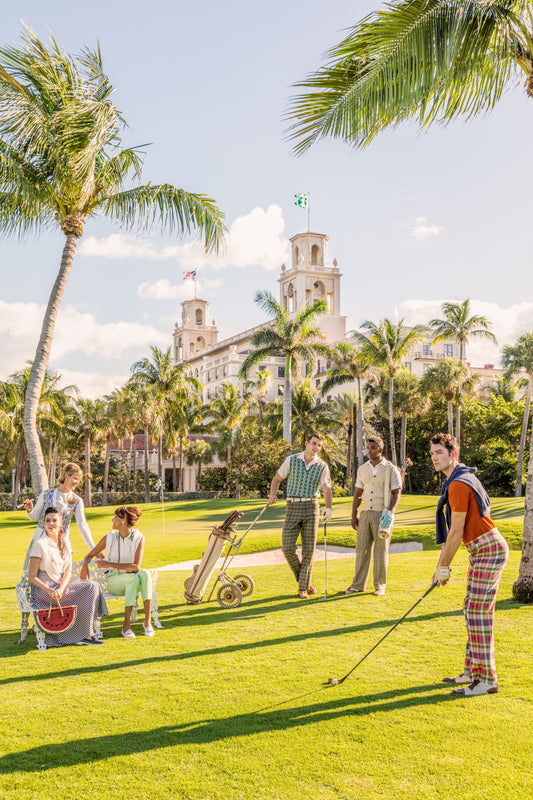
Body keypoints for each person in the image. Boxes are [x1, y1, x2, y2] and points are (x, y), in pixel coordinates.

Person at [430, 432, 509, 697]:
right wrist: (440, 566)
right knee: (471, 608)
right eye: (432, 453)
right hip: (482, 550)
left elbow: (455, 531)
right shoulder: (457, 479)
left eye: (439, 452)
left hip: (488, 548)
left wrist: (444, 567)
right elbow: (454, 533)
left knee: (478, 613)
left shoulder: (458, 484)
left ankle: (486, 680)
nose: (434, 458)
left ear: (453, 454)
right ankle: (471, 672)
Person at [28, 506, 108, 646]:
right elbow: (32, 577)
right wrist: (49, 590)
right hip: (43, 592)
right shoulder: (39, 544)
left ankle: (85, 633)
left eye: (54, 520)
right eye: (48, 521)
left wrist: (61, 589)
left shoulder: (65, 542)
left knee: (92, 586)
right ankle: (86, 636)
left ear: (60, 522)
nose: (51, 523)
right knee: (90, 587)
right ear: (44, 523)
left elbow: (68, 571)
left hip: (59, 589)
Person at [268, 432, 332, 599]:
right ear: (306, 443)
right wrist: (272, 494)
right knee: (287, 547)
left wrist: (329, 508)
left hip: (312, 507)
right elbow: (276, 479)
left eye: (319, 445)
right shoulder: (292, 460)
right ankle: (304, 581)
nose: (316, 447)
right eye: (314, 443)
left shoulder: (322, 466)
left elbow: (326, 489)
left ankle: (302, 588)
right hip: (293, 507)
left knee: (309, 551)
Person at [339, 436, 402, 597]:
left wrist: (390, 512)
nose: (369, 450)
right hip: (365, 513)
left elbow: (397, 492)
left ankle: (380, 585)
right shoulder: (362, 469)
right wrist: (354, 515)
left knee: (381, 551)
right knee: (362, 550)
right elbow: (358, 493)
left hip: (383, 514)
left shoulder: (390, 469)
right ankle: (357, 585)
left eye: (372, 448)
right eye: (368, 447)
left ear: (380, 450)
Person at [82, 506, 155, 638]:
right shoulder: (110, 537)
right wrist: (85, 565)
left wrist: (109, 563)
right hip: (114, 580)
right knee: (133, 578)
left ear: (124, 520)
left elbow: (136, 567)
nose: (112, 519)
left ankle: (147, 622)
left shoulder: (139, 538)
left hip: (132, 579)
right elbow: (89, 555)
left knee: (145, 573)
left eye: (115, 517)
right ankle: (126, 626)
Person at [22, 462, 95, 572]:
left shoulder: (77, 500)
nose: (77, 483)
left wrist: (93, 550)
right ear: (66, 476)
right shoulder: (46, 494)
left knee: (58, 576)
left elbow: (83, 526)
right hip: (41, 541)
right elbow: (34, 517)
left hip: (61, 544)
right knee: (36, 575)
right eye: (75, 478)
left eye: (79, 480)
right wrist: (29, 509)